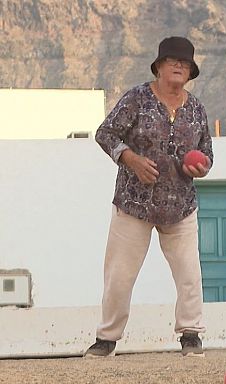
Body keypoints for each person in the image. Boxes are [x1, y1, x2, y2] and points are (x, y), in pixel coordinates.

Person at [84, 36, 213, 357]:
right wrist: (131, 159)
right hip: (133, 204)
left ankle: (191, 334)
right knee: (119, 276)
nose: (179, 66)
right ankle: (107, 338)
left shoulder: (196, 109)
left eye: (185, 63)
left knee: (189, 274)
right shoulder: (137, 99)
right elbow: (106, 133)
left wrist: (203, 166)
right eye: (172, 61)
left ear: (191, 71)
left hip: (180, 206)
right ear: (158, 67)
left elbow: (207, 152)